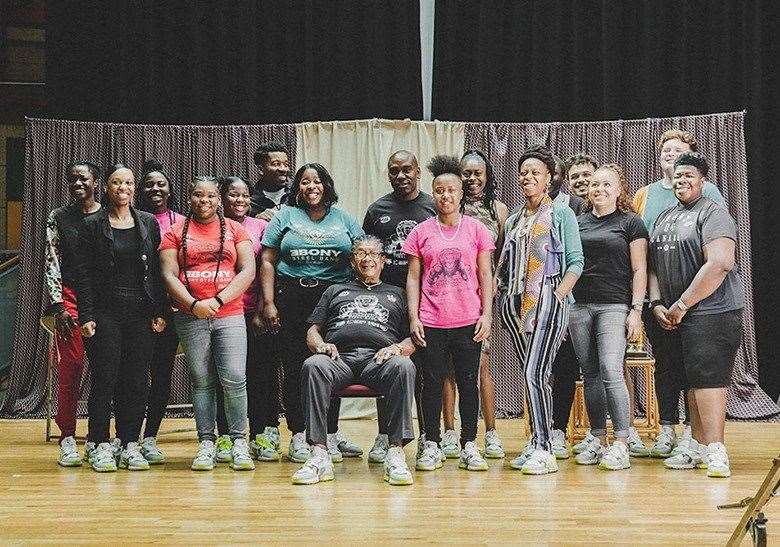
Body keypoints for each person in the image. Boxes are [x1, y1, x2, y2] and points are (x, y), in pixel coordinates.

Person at [260, 163, 365, 464]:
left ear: (326, 185)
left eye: (317, 181)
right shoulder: (285, 216)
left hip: (333, 298)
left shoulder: (344, 218)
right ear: (298, 188)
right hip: (292, 296)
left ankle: (329, 435)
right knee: (294, 368)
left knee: (330, 366)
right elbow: (267, 260)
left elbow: (362, 256)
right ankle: (297, 434)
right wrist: (268, 302)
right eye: (305, 182)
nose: (311, 187)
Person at [292, 236, 417, 485]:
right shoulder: (336, 290)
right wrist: (321, 345)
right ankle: (319, 453)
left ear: (383, 260)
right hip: (340, 358)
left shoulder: (398, 293)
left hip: (380, 360)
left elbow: (413, 338)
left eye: (373, 254)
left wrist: (396, 349)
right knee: (313, 365)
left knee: (404, 365)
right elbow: (312, 330)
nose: (367, 259)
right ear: (352, 260)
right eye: (361, 253)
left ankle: (395, 452)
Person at [649, 152, 743, 478]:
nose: (682, 180)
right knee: (691, 380)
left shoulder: (714, 214)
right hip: (677, 314)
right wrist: (657, 302)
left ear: (703, 180)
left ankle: (717, 451)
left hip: (713, 311)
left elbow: (720, 263)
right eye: (677, 176)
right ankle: (696, 444)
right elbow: (653, 265)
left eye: (689, 175)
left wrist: (683, 303)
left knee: (708, 380)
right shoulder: (664, 217)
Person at [633, 130, 726, 458]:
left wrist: (686, 301)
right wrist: (654, 301)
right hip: (658, 298)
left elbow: (717, 244)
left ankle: (694, 436)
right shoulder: (646, 195)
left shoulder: (708, 193)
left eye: (679, 151)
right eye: (665, 151)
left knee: (694, 368)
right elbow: (642, 246)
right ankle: (667, 429)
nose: (671, 155)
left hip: (699, 300)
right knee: (666, 365)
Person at [403, 155, 495, 473]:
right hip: (431, 320)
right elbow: (413, 277)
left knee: (469, 382)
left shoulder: (477, 230)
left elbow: (485, 275)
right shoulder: (420, 232)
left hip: (468, 319)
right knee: (432, 382)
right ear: (434, 194)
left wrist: (487, 314)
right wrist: (414, 317)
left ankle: (470, 443)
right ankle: (431, 442)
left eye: (451, 190)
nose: (446, 196)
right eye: (439, 191)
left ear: (460, 194)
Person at [495, 145, 583, 475]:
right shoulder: (517, 217)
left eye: (536, 172)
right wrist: (501, 296)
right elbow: (503, 263)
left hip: (547, 303)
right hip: (515, 309)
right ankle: (535, 442)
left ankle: (545, 448)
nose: (528, 177)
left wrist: (558, 295)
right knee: (533, 376)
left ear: (549, 179)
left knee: (536, 374)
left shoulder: (561, 214)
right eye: (524, 172)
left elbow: (576, 261)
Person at [159, 176, 256, 472]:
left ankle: (239, 442)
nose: (205, 201)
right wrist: (193, 304)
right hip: (190, 316)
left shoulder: (236, 229)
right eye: (199, 196)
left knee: (235, 379)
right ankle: (206, 443)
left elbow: (248, 270)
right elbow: (168, 274)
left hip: (230, 314)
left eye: (211, 196)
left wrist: (218, 300)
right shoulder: (175, 232)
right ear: (190, 198)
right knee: (202, 381)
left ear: (219, 199)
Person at [75, 163, 166, 472]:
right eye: (116, 183)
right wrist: (85, 314)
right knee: (105, 377)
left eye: (128, 183)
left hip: (140, 313)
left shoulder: (148, 222)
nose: (123, 188)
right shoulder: (92, 224)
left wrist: (160, 310)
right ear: (106, 188)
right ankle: (99, 443)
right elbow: (83, 274)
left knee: (137, 380)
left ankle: (129, 443)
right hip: (105, 313)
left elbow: (156, 271)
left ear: (134, 188)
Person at [568, 164, 648, 471]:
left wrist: (636, 311)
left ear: (618, 189)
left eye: (606, 184)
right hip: (579, 307)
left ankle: (621, 443)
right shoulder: (577, 223)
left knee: (611, 370)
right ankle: (598, 438)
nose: (598, 188)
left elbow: (640, 269)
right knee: (589, 374)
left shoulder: (631, 223)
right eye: (594, 184)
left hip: (614, 306)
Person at [362, 150, 435, 462]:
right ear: (388, 174)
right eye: (395, 171)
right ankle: (384, 434)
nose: (402, 176)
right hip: (387, 302)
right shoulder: (378, 209)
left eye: (408, 169)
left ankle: (427, 439)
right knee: (387, 364)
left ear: (418, 171)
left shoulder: (432, 205)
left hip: (428, 301)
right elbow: (367, 255)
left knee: (424, 371)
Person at [440, 149, 508, 459]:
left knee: (480, 367)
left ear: (487, 175)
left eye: (477, 172)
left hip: (481, 299)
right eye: (466, 173)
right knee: (449, 370)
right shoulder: (448, 205)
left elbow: (504, 257)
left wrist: (494, 289)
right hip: (448, 299)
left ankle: (491, 432)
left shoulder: (498, 210)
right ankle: (450, 432)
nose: (472, 178)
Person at [213, 176, 279, 463]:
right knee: (225, 377)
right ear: (221, 199)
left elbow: (268, 267)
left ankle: (262, 433)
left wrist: (266, 306)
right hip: (223, 311)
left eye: (244, 195)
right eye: (233, 195)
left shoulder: (261, 226)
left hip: (254, 312)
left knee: (260, 374)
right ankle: (226, 436)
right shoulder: (212, 226)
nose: (239, 200)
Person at [45, 161, 102, 467]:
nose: (78, 183)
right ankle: (67, 437)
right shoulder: (58, 217)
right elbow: (52, 260)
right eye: (72, 180)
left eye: (84, 178)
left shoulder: (107, 216)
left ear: (96, 182)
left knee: (109, 371)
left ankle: (102, 439)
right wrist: (59, 306)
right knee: (71, 369)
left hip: (106, 302)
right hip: (70, 299)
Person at [136, 159, 185, 464]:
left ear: (169, 189)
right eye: (149, 184)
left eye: (161, 183)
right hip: (137, 309)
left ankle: (150, 437)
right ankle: (126, 436)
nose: (155, 188)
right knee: (132, 376)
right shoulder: (131, 219)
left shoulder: (182, 222)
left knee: (162, 375)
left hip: (171, 310)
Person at [249, 142, 292, 220]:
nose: (283, 169)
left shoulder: (297, 193)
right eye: (276, 164)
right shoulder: (250, 201)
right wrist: (256, 220)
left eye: (286, 164)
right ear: (261, 169)